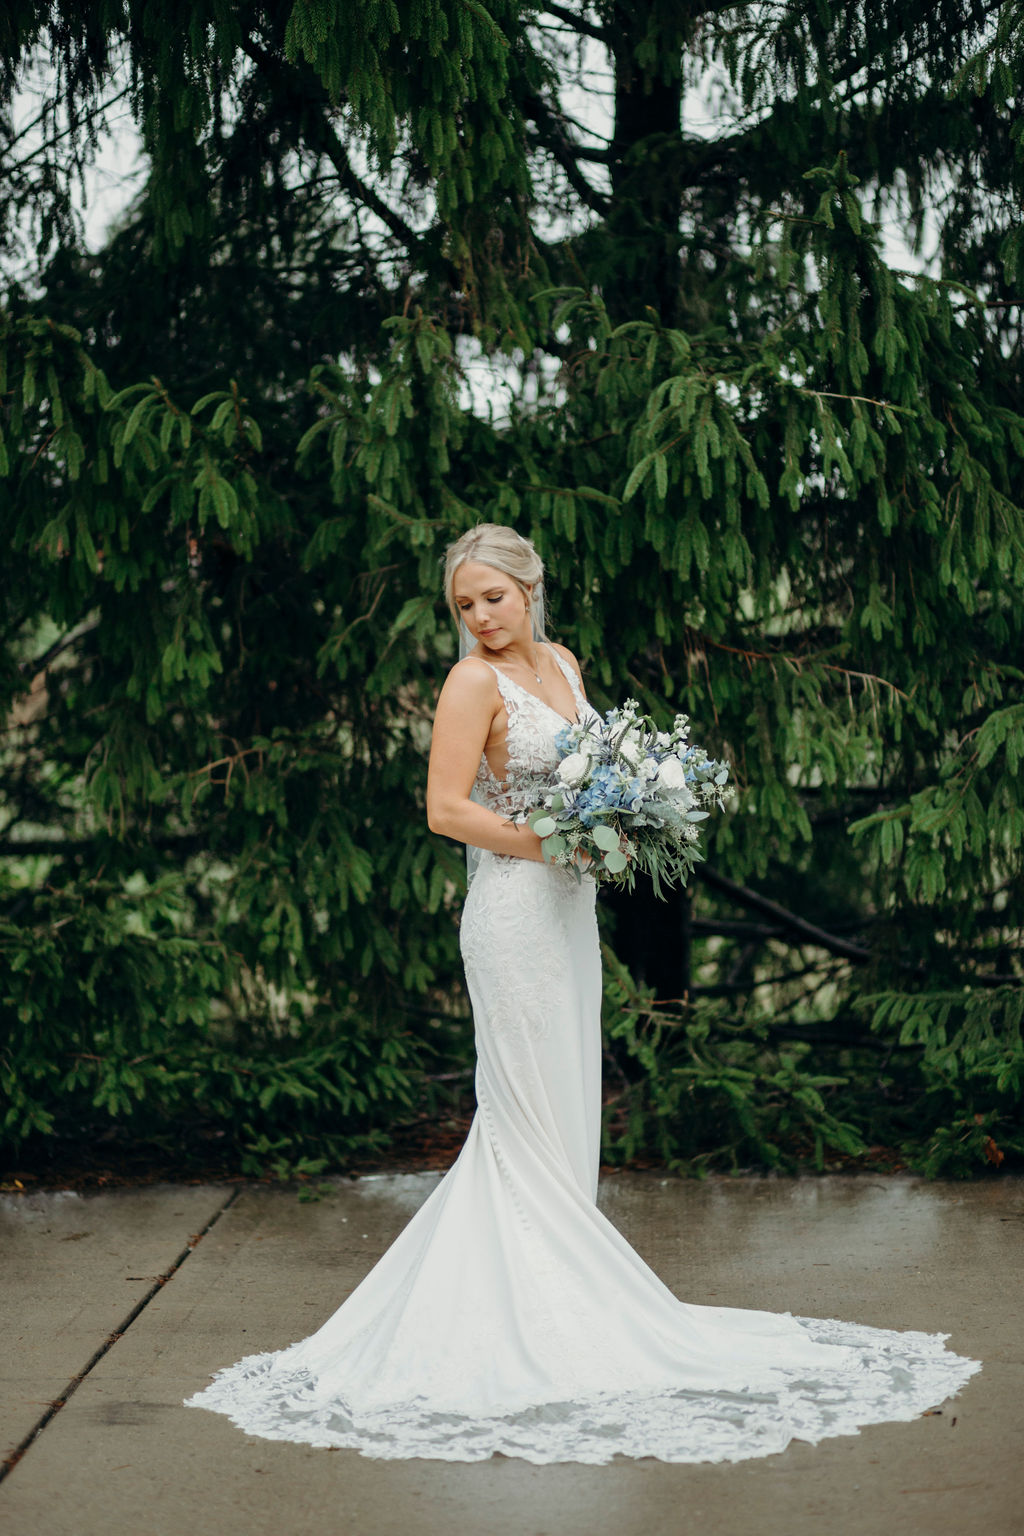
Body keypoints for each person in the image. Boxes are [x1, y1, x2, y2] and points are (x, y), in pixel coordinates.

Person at [185, 524, 980, 1463]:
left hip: (569, 920)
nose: (480, 618)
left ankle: (564, 1306)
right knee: (519, 1121)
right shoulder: (469, 683)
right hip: (514, 916)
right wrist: (559, 843)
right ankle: (527, 1327)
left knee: (563, 1119)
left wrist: (626, 811)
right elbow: (447, 809)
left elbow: (588, 772)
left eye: (493, 598)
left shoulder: (562, 660)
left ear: (531, 589)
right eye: (463, 606)